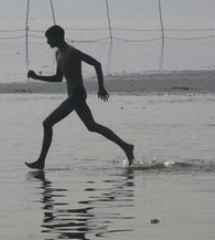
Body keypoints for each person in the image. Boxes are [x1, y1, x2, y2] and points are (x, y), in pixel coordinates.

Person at [25, 25, 134, 170]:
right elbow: (58, 78)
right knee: (92, 126)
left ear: (58, 37)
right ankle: (126, 146)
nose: (47, 42)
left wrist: (101, 87)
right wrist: (37, 77)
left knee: (47, 123)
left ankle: (41, 161)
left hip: (77, 95)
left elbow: (97, 64)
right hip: (73, 96)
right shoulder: (59, 54)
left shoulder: (72, 52)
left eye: (49, 38)